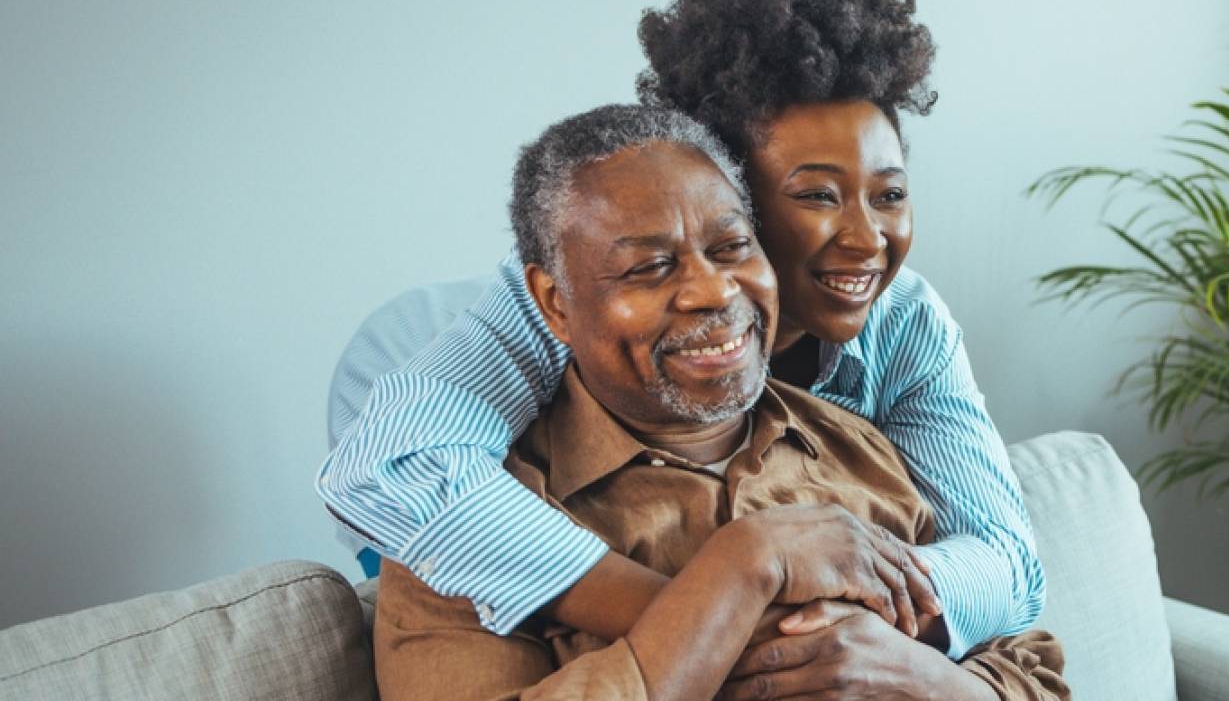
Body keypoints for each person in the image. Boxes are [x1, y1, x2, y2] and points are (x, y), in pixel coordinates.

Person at [319, 0, 1042, 658]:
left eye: (889, 195)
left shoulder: (906, 321)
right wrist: (714, 619)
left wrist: (838, 626)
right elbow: (388, 465)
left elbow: (1008, 561)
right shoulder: (566, 299)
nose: (866, 240)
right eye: (817, 196)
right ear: (724, 192)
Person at [373, 104, 1065, 701]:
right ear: (555, 301)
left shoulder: (863, 444)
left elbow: (1032, 658)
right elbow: (386, 462)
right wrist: (743, 570)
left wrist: (914, 674)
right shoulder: (458, 537)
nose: (713, 291)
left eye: (733, 246)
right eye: (650, 267)